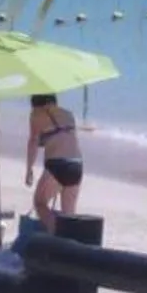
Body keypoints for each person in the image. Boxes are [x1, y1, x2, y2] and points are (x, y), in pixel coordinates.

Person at [25, 91, 84, 229]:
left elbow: (33, 142)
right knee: (69, 215)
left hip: (58, 164)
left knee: (39, 203)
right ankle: (67, 242)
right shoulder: (68, 114)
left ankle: (55, 231)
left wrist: (29, 169)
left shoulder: (37, 115)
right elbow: (62, 138)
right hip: (77, 164)